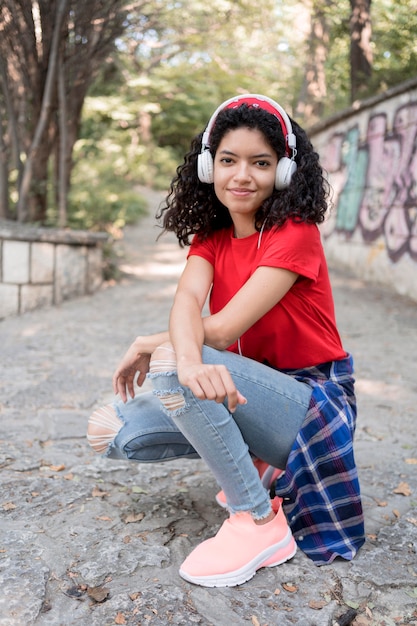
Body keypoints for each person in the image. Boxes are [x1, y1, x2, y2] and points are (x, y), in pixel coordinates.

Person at [87, 94, 365, 588]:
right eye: (228, 160)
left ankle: (257, 521)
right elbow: (187, 303)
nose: (242, 175)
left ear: (283, 171)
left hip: (311, 403)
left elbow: (220, 328)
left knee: (179, 361)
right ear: (207, 166)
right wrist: (173, 346)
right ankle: (258, 463)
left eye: (261, 163)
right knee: (111, 430)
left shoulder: (294, 232)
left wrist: (163, 349)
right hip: (248, 390)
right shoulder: (211, 235)